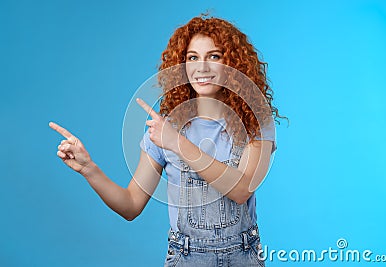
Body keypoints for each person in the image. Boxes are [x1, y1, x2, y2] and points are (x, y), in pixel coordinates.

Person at [49, 14, 284, 267]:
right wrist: (89, 169)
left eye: (214, 56)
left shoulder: (254, 122)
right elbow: (130, 205)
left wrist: (176, 143)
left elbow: (241, 190)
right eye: (192, 57)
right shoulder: (166, 128)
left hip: (243, 257)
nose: (201, 67)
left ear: (233, 65)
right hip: (186, 257)